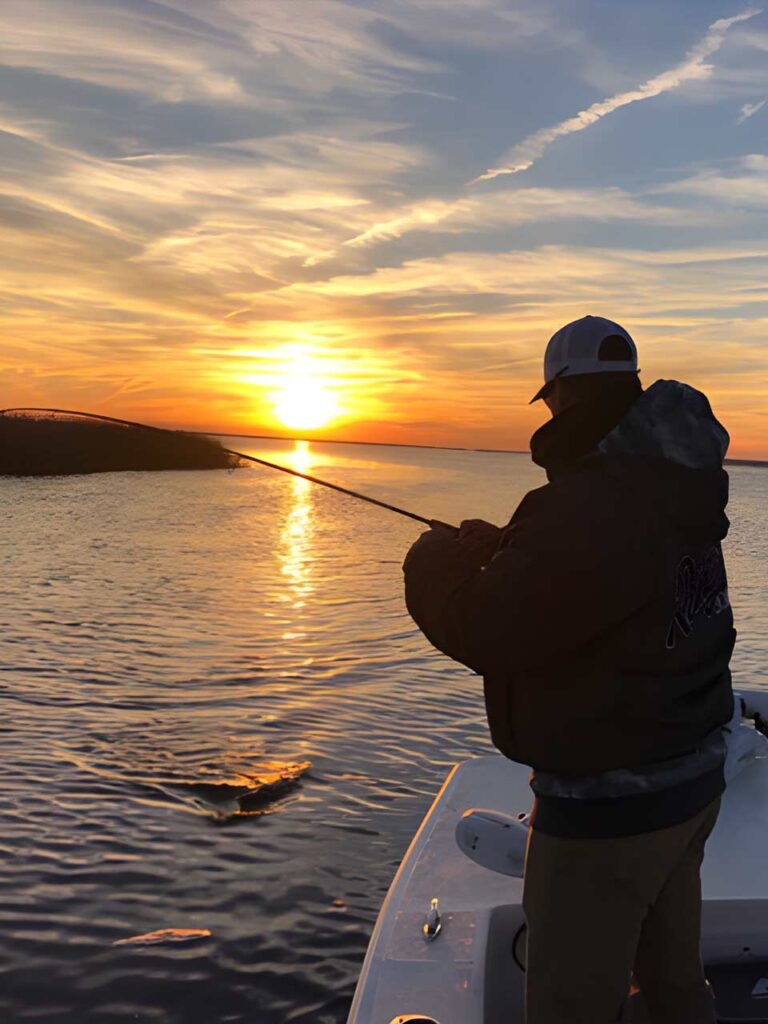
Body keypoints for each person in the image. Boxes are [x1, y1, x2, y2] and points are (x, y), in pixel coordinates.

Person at [402, 315, 735, 1024]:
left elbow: (489, 629)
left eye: (550, 398)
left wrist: (429, 563)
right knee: (676, 986)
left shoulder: (591, 504)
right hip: (693, 783)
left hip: (610, 815)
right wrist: (513, 547)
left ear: (563, 394)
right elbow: (615, 587)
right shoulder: (678, 483)